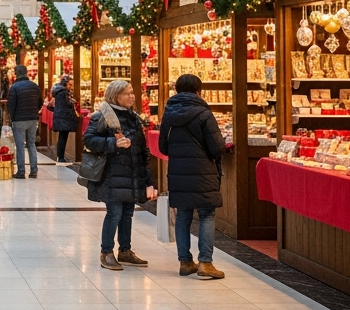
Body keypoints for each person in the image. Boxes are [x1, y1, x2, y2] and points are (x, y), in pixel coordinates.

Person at [83, 79, 156, 271]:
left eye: (132, 92)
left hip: (132, 174)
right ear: (116, 96)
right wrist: (112, 143)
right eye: (127, 93)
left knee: (128, 214)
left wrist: (148, 180)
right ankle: (106, 252)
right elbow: (89, 140)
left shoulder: (134, 117)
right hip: (112, 175)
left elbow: (142, 150)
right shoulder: (102, 116)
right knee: (114, 213)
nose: (132, 96)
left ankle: (125, 250)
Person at [158, 73, 226, 280]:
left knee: (183, 215)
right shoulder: (204, 114)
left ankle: (185, 262)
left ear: (176, 90)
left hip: (178, 171)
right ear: (198, 91)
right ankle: (205, 262)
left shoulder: (168, 115)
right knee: (207, 213)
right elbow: (217, 147)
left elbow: (163, 147)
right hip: (203, 171)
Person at [7, 64, 42, 179]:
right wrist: (34, 112)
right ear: (26, 73)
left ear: (16, 74)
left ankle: (21, 171)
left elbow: (11, 105)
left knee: (20, 145)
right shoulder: (35, 86)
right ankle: (34, 170)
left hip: (19, 120)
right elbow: (40, 102)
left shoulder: (14, 87)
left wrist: (12, 118)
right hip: (33, 119)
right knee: (31, 144)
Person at [51, 74, 79, 163]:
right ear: (65, 83)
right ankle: (61, 157)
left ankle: (60, 156)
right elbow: (67, 104)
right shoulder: (64, 93)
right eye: (69, 84)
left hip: (61, 116)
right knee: (63, 137)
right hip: (64, 117)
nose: (71, 86)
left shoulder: (59, 91)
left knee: (62, 137)